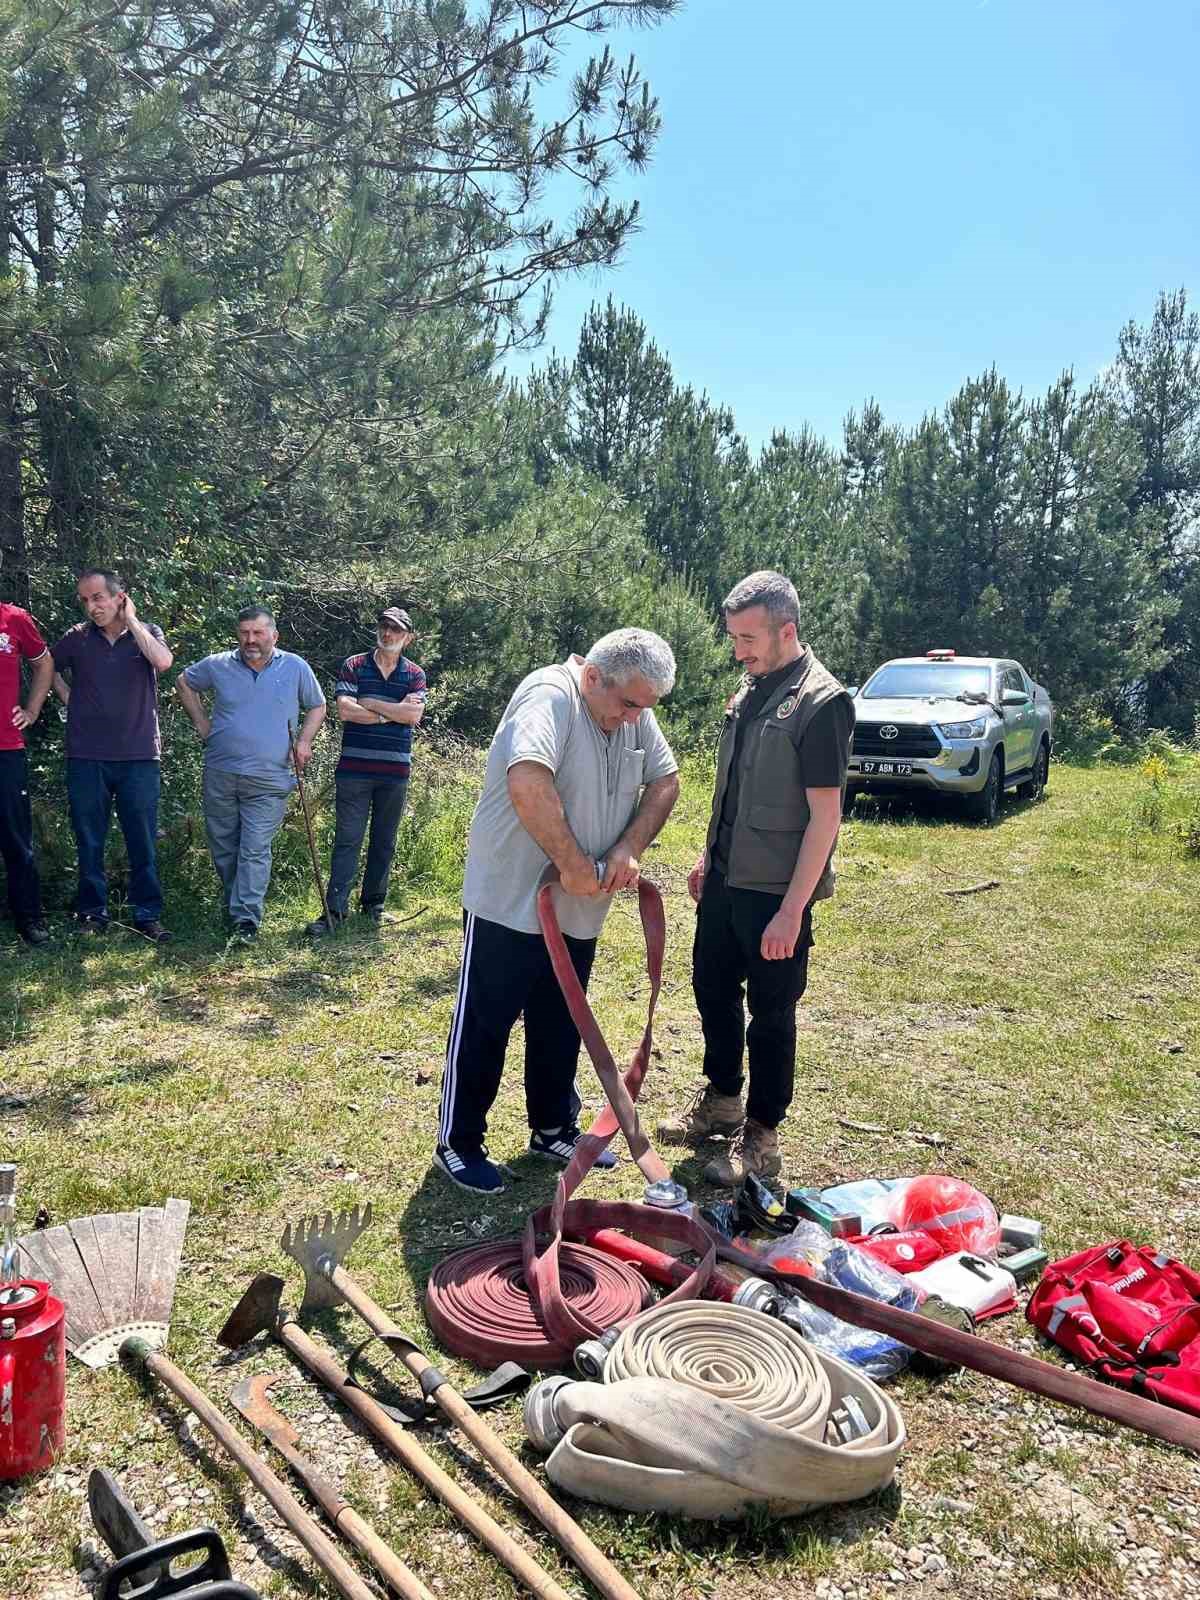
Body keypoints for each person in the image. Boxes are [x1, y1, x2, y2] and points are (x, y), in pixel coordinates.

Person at [435, 628, 681, 1194]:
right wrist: (572, 862)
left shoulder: (630, 706)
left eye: (644, 708)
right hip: (511, 897)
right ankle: (460, 1142)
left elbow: (665, 781)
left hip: (579, 904)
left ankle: (552, 1129)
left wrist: (627, 850)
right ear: (593, 675)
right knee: (486, 1022)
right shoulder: (550, 695)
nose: (634, 718)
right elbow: (527, 779)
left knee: (561, 1017)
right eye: (627, 704)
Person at [658, 571, 853, 1186]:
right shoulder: (749, 691)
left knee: (771, 1012)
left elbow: (826, 817)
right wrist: (706, 855)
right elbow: (734, 789)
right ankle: (722, 1099)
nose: (738, 650)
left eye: (747, 638)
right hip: (725, 878)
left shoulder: (822, 703)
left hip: (775, 891)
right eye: (735, 638)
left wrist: (793, 910)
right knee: (711, 988)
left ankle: (763, 1132)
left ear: (785, 630)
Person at [177, 606, 326, 940]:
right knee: (224, 845)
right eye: (244, 633)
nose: (251, 640)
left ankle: (246, 920)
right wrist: (203, 724)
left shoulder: (295, 667)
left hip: (270, 777)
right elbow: (184, 681)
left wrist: (304, 741)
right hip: (221, 771)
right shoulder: (218, 665)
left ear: (274, 635)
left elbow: (317, 705)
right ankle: (236, 902)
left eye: (258, 633)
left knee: (255, 847)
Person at [50, 569, 175, 941]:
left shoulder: (147, 633)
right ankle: (92, 914)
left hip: (139, 756)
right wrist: (67, 696)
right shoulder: (77, 639)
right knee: (89, 838)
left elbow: (164, 662)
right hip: (87, 755)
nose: (92, 607)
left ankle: (147, 915)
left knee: (142, 838)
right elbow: (45, 665)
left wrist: (133, 621)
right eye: (85, 600)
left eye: (98, 598)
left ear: (119, 597)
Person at [306, 606, 426, 935]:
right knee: (348, 838)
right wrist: (393, 712)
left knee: (384, 841)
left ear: (408, 638)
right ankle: (334, 911)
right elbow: (345, 710)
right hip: (354, 770)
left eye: (396, 630)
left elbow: (413, 717)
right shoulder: (354, 665)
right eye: (384, 627)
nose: (388, 634)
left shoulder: (415, 674)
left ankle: (373, 906)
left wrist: (370, 703)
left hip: (394, 772)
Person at [0, 593, 54, 945]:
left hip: (6, 747)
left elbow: (44, 664)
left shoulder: (14, 618)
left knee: (16, 838)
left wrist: (32, 710)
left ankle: (29, 919)